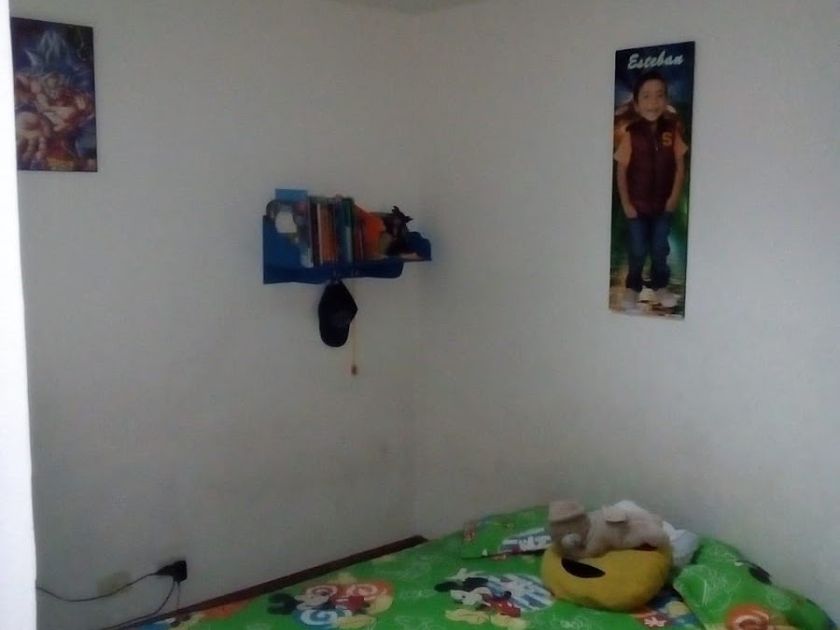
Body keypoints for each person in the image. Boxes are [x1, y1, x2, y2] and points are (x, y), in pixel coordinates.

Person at [614, 70, 688, 310]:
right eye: (646, 96)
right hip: (636, 207)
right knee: (637, 249)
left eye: (659, 95)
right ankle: (633, 286)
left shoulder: (671, 131)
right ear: (636, 103)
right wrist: (626, 203)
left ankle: (660, 285)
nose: (653, 102)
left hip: (663, 207)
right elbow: (621, 170)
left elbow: (680, 166)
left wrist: (673, 198)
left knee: (659, 249)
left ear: (666, 100)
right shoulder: (632, 134)